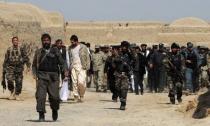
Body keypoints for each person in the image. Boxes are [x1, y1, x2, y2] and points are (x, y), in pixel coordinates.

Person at [32, 33, 68, 121]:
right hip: (42, 77)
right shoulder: (39, 52)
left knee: (54, 97)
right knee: (40, 96)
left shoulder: (55, 51)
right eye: (44, 40)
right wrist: (35, 74)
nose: (46, 42)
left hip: (53, 78)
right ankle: (41, 114)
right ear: (42, 41)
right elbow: (34, 65)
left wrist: (65, 70)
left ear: (50, 41)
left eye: (47, 40)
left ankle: (54, 110)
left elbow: (62, 62)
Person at [2, 36, 31, 100]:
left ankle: (17, 94)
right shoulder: (9, 49)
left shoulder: (21, 49)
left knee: (19, 82)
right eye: (14, 40)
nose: (15, 41)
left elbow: (26, 57)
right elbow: (6, 59)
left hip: (19, 68)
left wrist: (28, 66)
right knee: (9, 80)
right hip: (10, 67)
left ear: (18, 41)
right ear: (12, 42)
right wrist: (4, 68)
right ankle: (12, 92)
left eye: (16, 40)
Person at [68, 35, 90, 102]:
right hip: (73, 67)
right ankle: (75, 96)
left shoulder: (83, 47)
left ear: (76, 41)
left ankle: (81, 95)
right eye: (71, 42)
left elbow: (88, 57)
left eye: (73, 42)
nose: (72, 44)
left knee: (81, 82)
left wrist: (87, 66)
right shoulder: (70, 48)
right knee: (74, 82)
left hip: (81, 66)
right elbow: (69, 58)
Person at [113, 41, 132, 110]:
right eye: (123, 46)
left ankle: (123, 103)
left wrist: (130, 49)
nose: (124, 48)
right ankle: (121, 100)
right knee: (118, 88)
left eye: (125, 46)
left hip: (125, 74)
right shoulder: (118, 54)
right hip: (118, 74)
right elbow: (114, 61)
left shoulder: (130, 54)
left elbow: (135, 57)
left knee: (124, 89)